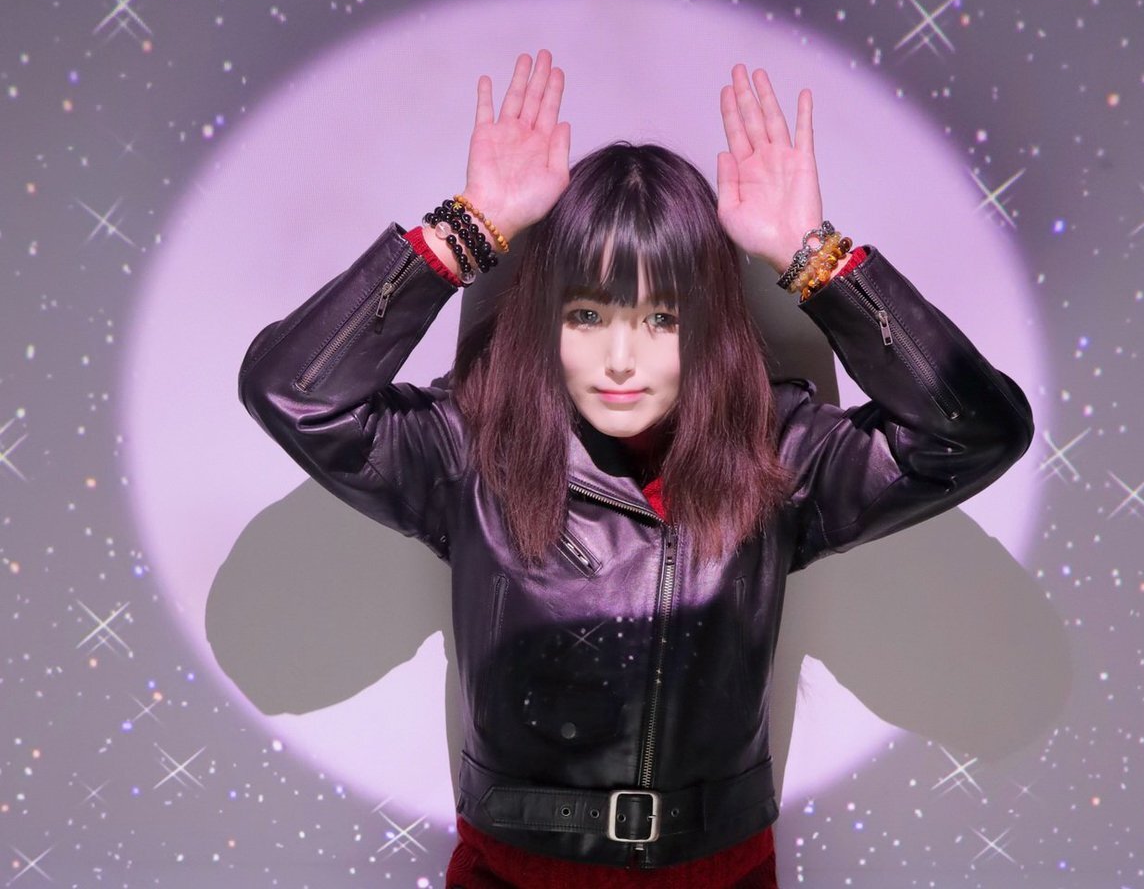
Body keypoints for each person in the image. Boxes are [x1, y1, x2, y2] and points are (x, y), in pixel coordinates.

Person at [237, 49, 1034, 887]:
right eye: (588, 315)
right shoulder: (474, 445)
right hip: (516, 874)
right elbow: (292, 391)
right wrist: (464, 230)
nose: (621, 358)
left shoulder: (776, 452)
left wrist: (814, 258)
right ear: (548, 317)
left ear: (710, 325)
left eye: (663, 318)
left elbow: (977, 432)